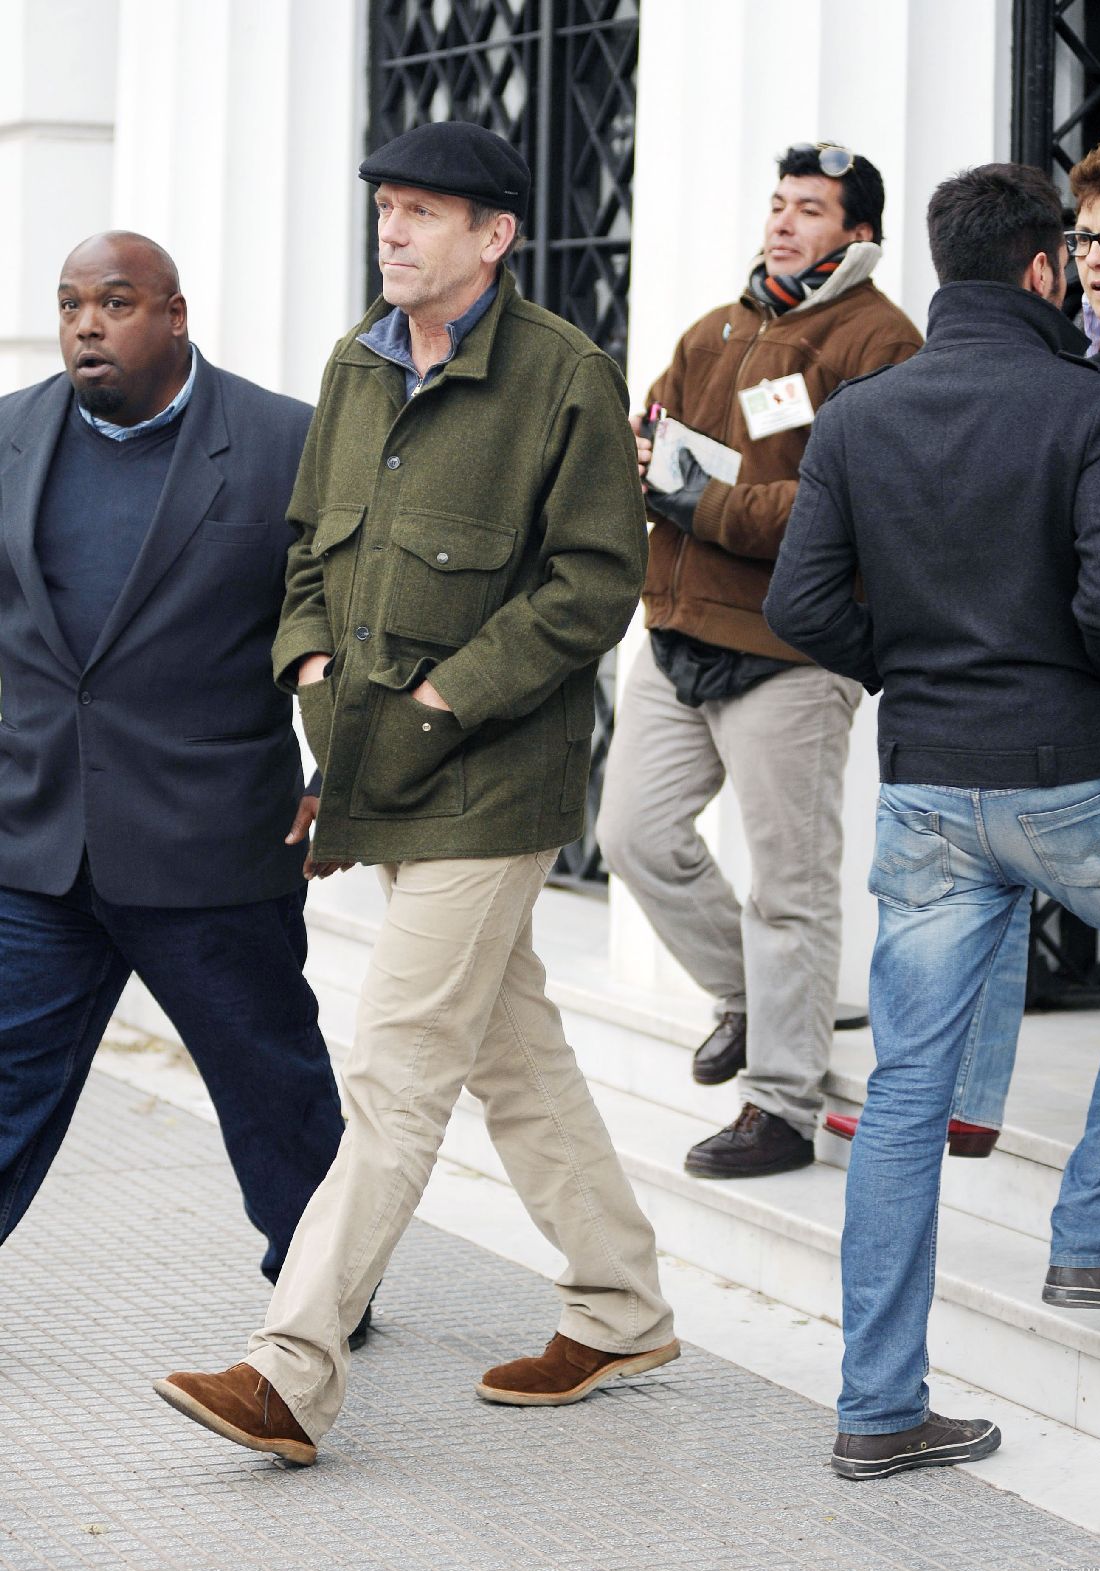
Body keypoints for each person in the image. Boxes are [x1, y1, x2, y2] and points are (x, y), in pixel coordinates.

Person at [153, 121, 677, 1467]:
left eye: (423, 211)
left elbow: (593, 584)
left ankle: (292, 1367)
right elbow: (309, 549)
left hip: (491, 779)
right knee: (513, 1052)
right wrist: (311, 667)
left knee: (396, 1068)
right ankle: (621, 1304)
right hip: (377, 765)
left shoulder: (563, 375)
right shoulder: (357, 361)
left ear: (494, 237)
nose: (392, 229)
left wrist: (445, 699)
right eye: (387, 206)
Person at [765, 163, 1100, 1479]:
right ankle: (1088, 1239)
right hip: (1063, 771)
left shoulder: (858, 415)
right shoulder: (1081, 401)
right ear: (1038, 269)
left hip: (923, 785)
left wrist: (907, 668)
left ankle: (877, 1410)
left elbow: (798, 607)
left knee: (906, 1093)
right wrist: (1078, 682)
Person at [0, 232, 368, 1336]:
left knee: (273, 1089)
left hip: (212, 842)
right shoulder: (10, 435)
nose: (87, 325)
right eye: (71, 303)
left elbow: (345, 620)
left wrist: (337, 771)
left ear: (175, 315)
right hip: (38, 840)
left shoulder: (282, 442)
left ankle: (323, 1295)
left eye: (115, 302)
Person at [828, 142, 1100, 1166]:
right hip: (1049, 675)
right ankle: (961, 1097)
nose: (1093, 258)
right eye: (1082, 239)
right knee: (990, 876)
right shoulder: (1062, 362)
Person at [597, 143, 922, 1180]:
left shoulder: (882, 341)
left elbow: (850, 498)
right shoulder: (718, 328)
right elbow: (647, 440)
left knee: (791, 886)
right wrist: (653, 467)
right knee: (633, 836)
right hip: (679, 629)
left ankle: (781, 1105)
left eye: (809, 209)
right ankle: (749, 997)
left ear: (857, 233)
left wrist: (703, 504)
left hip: (793, 648)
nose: (782, 222)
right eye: (778, 203)